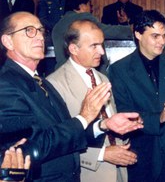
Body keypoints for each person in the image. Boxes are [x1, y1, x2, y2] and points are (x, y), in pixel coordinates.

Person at [0, 12, 142, 181]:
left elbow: (66, 133)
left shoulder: (41, 82)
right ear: (8, 41)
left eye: (40, 30)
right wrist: (84, 117)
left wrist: (103, 125)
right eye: (29, 31)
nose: (39, 37)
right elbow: (28, 149)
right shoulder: (6, 84)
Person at [108, 10, 165, 182]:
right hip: (142, 157)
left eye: (164, 36)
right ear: (138, 34)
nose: (162, 42)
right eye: (155, 36)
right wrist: (161, 117)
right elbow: (123, 113)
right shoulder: (119, 70)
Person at [47, 20, 140, 182]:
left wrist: (125, 130)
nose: (102, 52)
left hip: (118, 172)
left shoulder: (102, 78)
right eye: (94, 46)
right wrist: (102, 155)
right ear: (73, 49)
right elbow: (57, 142)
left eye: (102, 44)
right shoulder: (54, 84)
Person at [52, 0, 132, 72]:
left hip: (61, 73)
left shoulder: (57, 25)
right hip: (86, 74)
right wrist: (131, 29)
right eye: (89, 5)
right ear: (82, 6)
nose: (91, 9)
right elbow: (109, 31)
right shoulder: (85, 19)